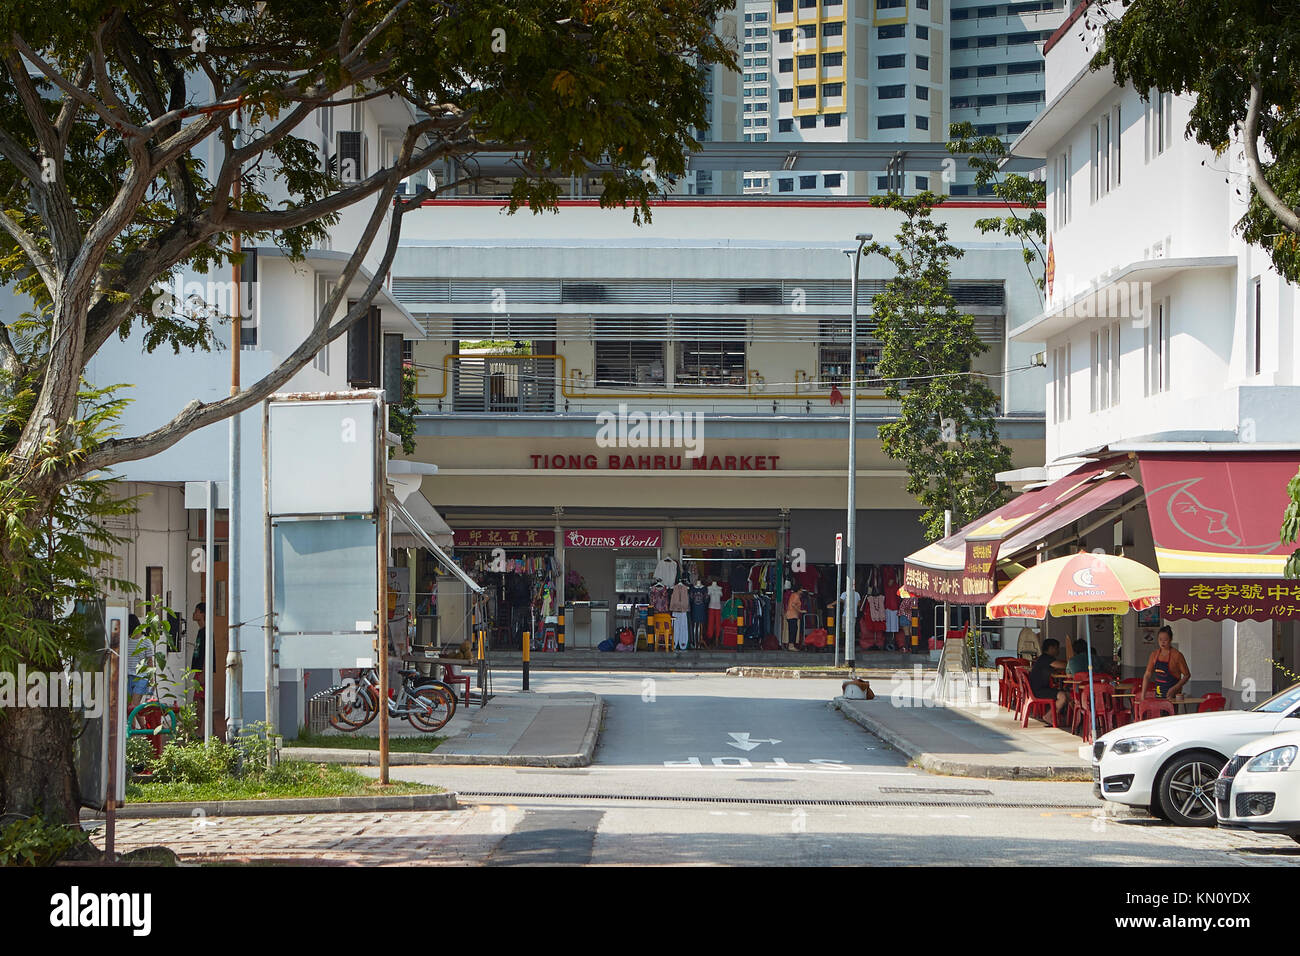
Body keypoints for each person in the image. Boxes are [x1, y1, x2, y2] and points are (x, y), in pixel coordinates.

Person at [1141, 625, 1190, 699]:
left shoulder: (1177, 655)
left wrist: (1174, 689)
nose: (1162, 642)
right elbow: (1147, 675)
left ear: (1170, 639)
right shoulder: (1154, 655)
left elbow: (1187, 675)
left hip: (1172, 696)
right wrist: (1143, 696)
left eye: (1165, 639)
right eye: (1160, 639)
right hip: (1158, 694)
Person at [1028, 637, 1068, 721]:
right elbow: (1062, 665)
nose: (1058, 651)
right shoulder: (1046, 658)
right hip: (1038, 691)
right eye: (1057, 648)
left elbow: (1052, 672)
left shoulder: (1043, 658)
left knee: (1068, 695)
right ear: (1051, 648)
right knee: (1063, 696)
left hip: (1038, 689)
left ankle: (1066, 717)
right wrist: (1072, 663)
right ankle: (1048, 716)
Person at [784, 586, 803, 650]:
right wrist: (800, 611)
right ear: (798, 590)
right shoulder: (796, 595)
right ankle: (791, 645)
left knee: (792, 629)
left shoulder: (793, 595)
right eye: (801, 590)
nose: (802, 591)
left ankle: (791, 645)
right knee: (793, 630)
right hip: (792, 615)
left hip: (790, 615)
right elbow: (793, 604)